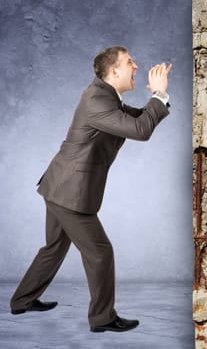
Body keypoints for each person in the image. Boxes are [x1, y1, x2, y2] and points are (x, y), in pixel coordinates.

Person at [10, 46, 173, 333]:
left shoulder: (107, 96)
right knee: (101, 252)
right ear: (114, 71)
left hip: (59, 185)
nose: (136, 66)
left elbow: (138, 120)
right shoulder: (98, 99)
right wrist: (158, 95)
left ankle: (22, 300)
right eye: (130, 62)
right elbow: (140, 130)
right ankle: (102, 318)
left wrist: (159, 99)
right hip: (69, 192)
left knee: (54, 247)